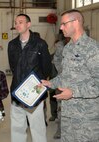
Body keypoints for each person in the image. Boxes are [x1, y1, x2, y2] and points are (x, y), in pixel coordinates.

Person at [41, 9, 99, 141]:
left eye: (64, 24)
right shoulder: (68, 48)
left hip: (87, 119)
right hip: (68, 116)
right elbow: (65, 75)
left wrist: (73, 93)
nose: (61, 28)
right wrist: (51, 83)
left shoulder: (93, 49)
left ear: (76, 22)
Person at [8, 13, 52, 142]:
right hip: (17, 91)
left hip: (35, 94)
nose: (17, 25)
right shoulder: (12, 45)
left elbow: (46, 68)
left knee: (37, 128)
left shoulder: (40, 44)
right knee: (17, 129)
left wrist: (36, 84)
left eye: (20, 22)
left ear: (28, 24)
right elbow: (13, 68)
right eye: (16, 22)